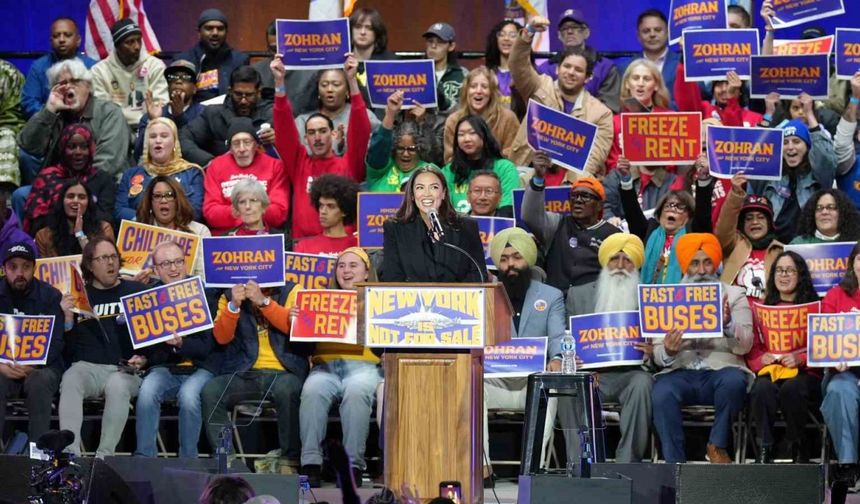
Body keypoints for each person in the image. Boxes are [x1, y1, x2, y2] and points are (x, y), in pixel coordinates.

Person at [651, 233, 753, 463]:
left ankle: (716, 446)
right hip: (679, 371)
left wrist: (728, 324)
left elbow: (746, 345)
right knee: (661, 393)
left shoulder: (735, 295)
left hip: (720, 371)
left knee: (735, 382)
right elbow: (657, 355)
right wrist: (668, 350)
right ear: (685, 266)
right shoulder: (667, 298)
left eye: (708, 262)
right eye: (694, 263)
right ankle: (673, 464)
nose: (701, 270)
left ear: (716, 263)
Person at [201, 275, 311, 469]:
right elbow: (221, 338)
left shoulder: (292, 290)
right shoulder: (228, 295)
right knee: (212, 390)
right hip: (245, 372)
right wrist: (234, 305)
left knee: (289, 390)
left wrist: (263, 301)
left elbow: (294, 327)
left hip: (284, 372)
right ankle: (225, 458)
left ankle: (289, 460)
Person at [561, 233, 654, 463]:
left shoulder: (649, 297)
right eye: (615, 259)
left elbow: (659, 344)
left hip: (631, 374)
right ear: (605, 261)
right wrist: (579, 365)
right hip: (591, 376)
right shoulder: (578, 295)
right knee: (567, 387)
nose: (620, 266)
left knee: (643, 385)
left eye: (627, 260)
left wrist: (652, 353)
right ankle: (579, 463)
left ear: (636, 264)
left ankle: (628, 463)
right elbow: (568, 341)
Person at [483, 228, 565, 477]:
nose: (511, 265)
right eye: (504, 259)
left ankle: (534, 469)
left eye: (517, 257)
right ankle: (482, 468)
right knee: (468, 386)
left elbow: (558, 335)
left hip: (533, 383)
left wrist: (558, 358)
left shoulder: (551, 296)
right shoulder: (485, 295)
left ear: (528, 259)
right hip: (494, 382)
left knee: (548, 385)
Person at [298, 247, 382, 487]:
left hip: (363, 366)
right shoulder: (319, 299)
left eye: (353, 265)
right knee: (312, 391)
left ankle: (352, 466)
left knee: (356, 392)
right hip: (326, 366)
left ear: (367, 272)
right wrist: (299, 318)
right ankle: (311, 464)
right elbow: (302, 344)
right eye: (341, 265)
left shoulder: (378, 300)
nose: (346, 271)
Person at [58, 237, 148, 456]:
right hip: (88, 368)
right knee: (71, 378)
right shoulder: (80, 298)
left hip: (124, 370)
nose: (110, 263)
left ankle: (104, 457)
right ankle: (70, 455)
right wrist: (68, 319)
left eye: (113, 257)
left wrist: (144, 357)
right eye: (103, 258)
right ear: (90, 265)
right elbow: (66, 350)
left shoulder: (136, 290)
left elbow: (153, 336)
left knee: (117, 385)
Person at [272, 54, 371, 240]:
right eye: (311, 133)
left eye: (323, 131)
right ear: (305, 138)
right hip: (303, 246)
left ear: (334, 135)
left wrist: (352, 81)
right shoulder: (299, 164)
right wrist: (279, 82)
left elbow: (361, 130)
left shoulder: (348, 165)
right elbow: (284, 128)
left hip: (342, 246)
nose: (317, 137)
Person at [134, 241, 218, 458]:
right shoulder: (149, 299)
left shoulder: (204, 294)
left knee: (189, 397)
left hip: (202, 368)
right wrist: (144, 360)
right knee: (147, 392)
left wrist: (182, 344)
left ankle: (188, 460)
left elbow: (210, 347)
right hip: (166, 368)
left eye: (178, 261)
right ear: (156, 269)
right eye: (166, 263)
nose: (174, 268)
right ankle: (145, 459)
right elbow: (151, 351)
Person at [508, 16, 613, 178]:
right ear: (557, 69)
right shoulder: (539, 85)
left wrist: (566, 184)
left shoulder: (601, 114)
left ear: (588, 77)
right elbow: (517, 64)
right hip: (528, 168)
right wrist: (529, 32)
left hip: (572, 179)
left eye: (578, 70)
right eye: (567, 66)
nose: (571, 72)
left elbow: (593, 159)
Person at [747, 251, 821, 463]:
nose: (784, 275)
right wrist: (761, 359)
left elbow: (822, 345)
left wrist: (801, 357)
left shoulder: (816, 307)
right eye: (779, 270)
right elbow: (753, 348)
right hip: (771, 371)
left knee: (792, 389)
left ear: (800, 275)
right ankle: (765, 447)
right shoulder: (761, 307)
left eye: (790, 270)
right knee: (761, 388)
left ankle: (796, 445)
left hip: (804, 374)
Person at [522, 170, 620, 315]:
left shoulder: (613, 235)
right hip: (554, 303)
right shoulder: (557, 224)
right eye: (574, 196)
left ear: (599, 205)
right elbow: (530, 216)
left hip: (591, 306)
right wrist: (538, 179)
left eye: (586, 196)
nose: (578, 200)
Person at [17, 58, 130, 180]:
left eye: (74, 81)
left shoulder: (110, 113)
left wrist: (73, 186)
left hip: (99, 185)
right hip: (58, 183)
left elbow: (108, 162)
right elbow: (28, 146)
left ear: (88, 86)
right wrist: (49, 110)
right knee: (20, 195)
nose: (68, 87)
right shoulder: (56, 113)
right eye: (62, 83)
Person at [0, 241, 66, 444]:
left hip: (41, 366)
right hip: (3, 366)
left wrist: (33, 364)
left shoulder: (50, 296)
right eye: (13, 267)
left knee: (40, 382)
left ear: (34, 268)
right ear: (4, 269)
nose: (20, 272)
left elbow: (56, 341)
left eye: (26, 266)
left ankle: (37, 454)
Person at [380, 166, 487, 283]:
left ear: (443, 193)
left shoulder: (466, 226)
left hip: (457, 299)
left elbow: (477, 274)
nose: (427, 194)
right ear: (412, 195)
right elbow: (392, 277)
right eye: (420, 188)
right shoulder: (395, 228)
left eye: (434, 187)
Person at [603, 59, 680, 221]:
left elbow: (675, 161)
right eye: (635, 78)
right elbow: (612, 162)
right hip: (624, 183)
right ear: (626, 85)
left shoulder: (669, 119)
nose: (640, 84)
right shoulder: (616, 122)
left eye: (646, 79)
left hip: (663, 187)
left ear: (656, 85)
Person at [750, 119, 837, 244]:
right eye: (785, 143)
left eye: (796, 142)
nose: (790, 147)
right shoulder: (769, 177)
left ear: (807, 147)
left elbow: (826, 159)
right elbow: (755, 153)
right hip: (773, 245)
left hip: (809, 245)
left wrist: (810, 117)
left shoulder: (819, 176)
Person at [20, 124, 115, 235]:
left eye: (84, 147)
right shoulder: (47, 177)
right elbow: (36, 220)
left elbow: (105, 216)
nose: (78, 152)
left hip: (90, 238)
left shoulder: (102, 179)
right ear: (63, 149)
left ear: (91, 149)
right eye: (72, 147)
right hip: (54, 238)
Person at [202, 119, 288, 235]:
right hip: (227, 237)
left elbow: (279, 212)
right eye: (236, 143)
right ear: (230, 148)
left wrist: (239, 213)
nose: (242, 149)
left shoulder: (275, 166)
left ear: (256, 145)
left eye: (247, 142)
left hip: (265, 236)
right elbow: (210, 213)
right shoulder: (216, 166)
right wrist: (252, 214)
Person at [180, 66, 273, 167]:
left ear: (258, 93)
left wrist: (278, 141)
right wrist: (210, 162)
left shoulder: (272, 115)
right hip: (220, 176)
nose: (243, 101)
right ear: (230, 91)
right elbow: (183, 139)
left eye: (249, 95)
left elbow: (291, 148)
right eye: (238, 94)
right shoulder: (213, 114)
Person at [821, 242, 860, 481]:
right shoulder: (837, 295)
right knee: (839, 390)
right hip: (843, 372)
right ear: (852, 264)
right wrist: (834, 357)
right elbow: (823, 338)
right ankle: (848, 465)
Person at [714, 173, 783, 304]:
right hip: (733, 317)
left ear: (770, 223)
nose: (755, 222)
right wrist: (735, 194)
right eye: (749, 218)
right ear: (742, 224)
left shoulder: (781, 251)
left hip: (768, 318)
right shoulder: (733, 245)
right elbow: (724, 227)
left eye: (761, 217)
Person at [117, 118, 204, 222]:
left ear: (174, 142)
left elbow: (195, 212)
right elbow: (119, 210)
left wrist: (164, 222)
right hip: (141, 232)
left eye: (164, 136)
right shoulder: (131, 174)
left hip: (179, 232)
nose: (158, 140)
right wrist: (150, 220)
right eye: (152, 136)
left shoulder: (192, 172)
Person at [536, 9, 621, 113]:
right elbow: (539, 105)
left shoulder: (606, 68)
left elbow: (609, 108)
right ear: (559, 35)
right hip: (553, 125)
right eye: (565, 28)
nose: (570, 31)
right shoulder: (546, 69)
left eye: (575, 27)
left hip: (593, 125)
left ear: (586, 33)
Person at [91, 19, 168, 131]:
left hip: (149, 125)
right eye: (130, 42)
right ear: (117, 46)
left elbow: (161, 105)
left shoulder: (155, 65)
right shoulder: (99, 71)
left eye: (138, 40)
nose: (137, 47)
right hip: (115, 129)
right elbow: (102, 112)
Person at [294, 65, 381, 157]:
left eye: (336, 84)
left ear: (347, 90)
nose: (329, 90)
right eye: (324, 85)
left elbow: (379, 146)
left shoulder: (364, 115)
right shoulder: (302, 121)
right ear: (318, 90)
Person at [135, 175, 211, 278]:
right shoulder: (135, 229)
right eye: (157, 196)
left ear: (177, 200)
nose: (163, 200)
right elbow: (124, 274)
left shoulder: (200, 231)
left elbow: (204, 277)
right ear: (150, 202)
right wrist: (134, 281)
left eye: (169, 195)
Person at [442, 115, 520, 213]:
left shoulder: (505, 168)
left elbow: (507, 209)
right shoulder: (449, 171)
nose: (466, 139)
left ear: (484, 135)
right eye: (461, 134)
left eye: (472, 133)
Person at [21, 17, 96, 119]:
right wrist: (53, 112)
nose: (61, 40)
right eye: (56, 36)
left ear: (78, 40)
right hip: (49, 123)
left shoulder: (92, 66)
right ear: (51, 41)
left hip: (85, 122)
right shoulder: (38, 67)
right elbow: (29, 103)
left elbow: (99, 101)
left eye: (67, 35)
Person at [442, 67, 519, 164]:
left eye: (484, 87)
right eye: (473, 86)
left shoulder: (508, 118)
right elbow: (449, 159)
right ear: (466, 91)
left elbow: (513, 155)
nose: (478, 91)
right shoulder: (453, 120)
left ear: (491, 92)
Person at [134, 60, 205, 162]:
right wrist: (154, 122)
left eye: (186, 78)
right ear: (168, 87)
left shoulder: (203, 114)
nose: (178, 81)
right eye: (173, 77)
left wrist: (180, 117)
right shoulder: (152, 114)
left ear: (194, 88)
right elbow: (138, 154)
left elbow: (198, 149)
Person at [365, 91, 437, 192]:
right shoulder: (381, 169)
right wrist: (390, 114)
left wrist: (421, 123)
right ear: (394, 148)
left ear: (419, 149)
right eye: (400, 148)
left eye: (411, 149)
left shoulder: (430, 171)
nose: (405, 154)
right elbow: (380, 145)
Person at [175, 9, 249, 103]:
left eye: (220, 29)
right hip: (194, 115)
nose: (215, 33)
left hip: (227, 113)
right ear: (199, 32)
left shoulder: (239, 60)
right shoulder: (183, 60)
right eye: (209, 28)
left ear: (226, 32)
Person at [615, 9, 681, 109]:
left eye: (658, 30)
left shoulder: (683, 64)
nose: (652, 34)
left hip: (678, 121)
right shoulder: (623, 68)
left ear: (668, 33)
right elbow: (618, 103)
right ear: (638, 36)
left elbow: (701, 95)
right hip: (635, 122)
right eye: (646, 31)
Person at [34, 180, 113, 258]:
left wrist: (80, 235)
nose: (75, 201)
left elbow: (104, 265)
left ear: (88, 203)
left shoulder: (104, 229)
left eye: (81, 197)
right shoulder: (43, 236)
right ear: (62, 201)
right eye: (70, 196)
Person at [253, 21, 316, 112]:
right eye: (274, 49)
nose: (279, 54)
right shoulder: (257, 71)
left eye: (283, 49)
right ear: (267, 47)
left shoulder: (312, 72)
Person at [294, 174, 358, 254]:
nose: (323, 211)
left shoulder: (357, 247)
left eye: (330, 206)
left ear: (344, 211)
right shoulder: (304, 247)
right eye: (321, 205)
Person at [789, 189, 860, 244]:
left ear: (843, 212)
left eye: (831, 207)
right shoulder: (798, 244)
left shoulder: (857, 244)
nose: (824, 212)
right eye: (819, 208)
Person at [423, 22, 466, 112]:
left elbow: (465, 109)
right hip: (420, 124)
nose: (433, 46)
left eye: (440, 42)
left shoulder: (463, 74)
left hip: (452, 124)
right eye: (430, 41)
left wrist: (444, 102)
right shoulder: (414, 73)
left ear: (451, 46)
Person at [484, 20, 522, 110]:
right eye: (501, 34)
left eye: (512, 35)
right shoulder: (487, 73)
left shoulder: (526, 74)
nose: (506, 38)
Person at [0, 60, 24, 190]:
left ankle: (3, 199)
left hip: (5, 126)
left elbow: (14, 113)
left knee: (6, 137)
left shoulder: (8, 72)